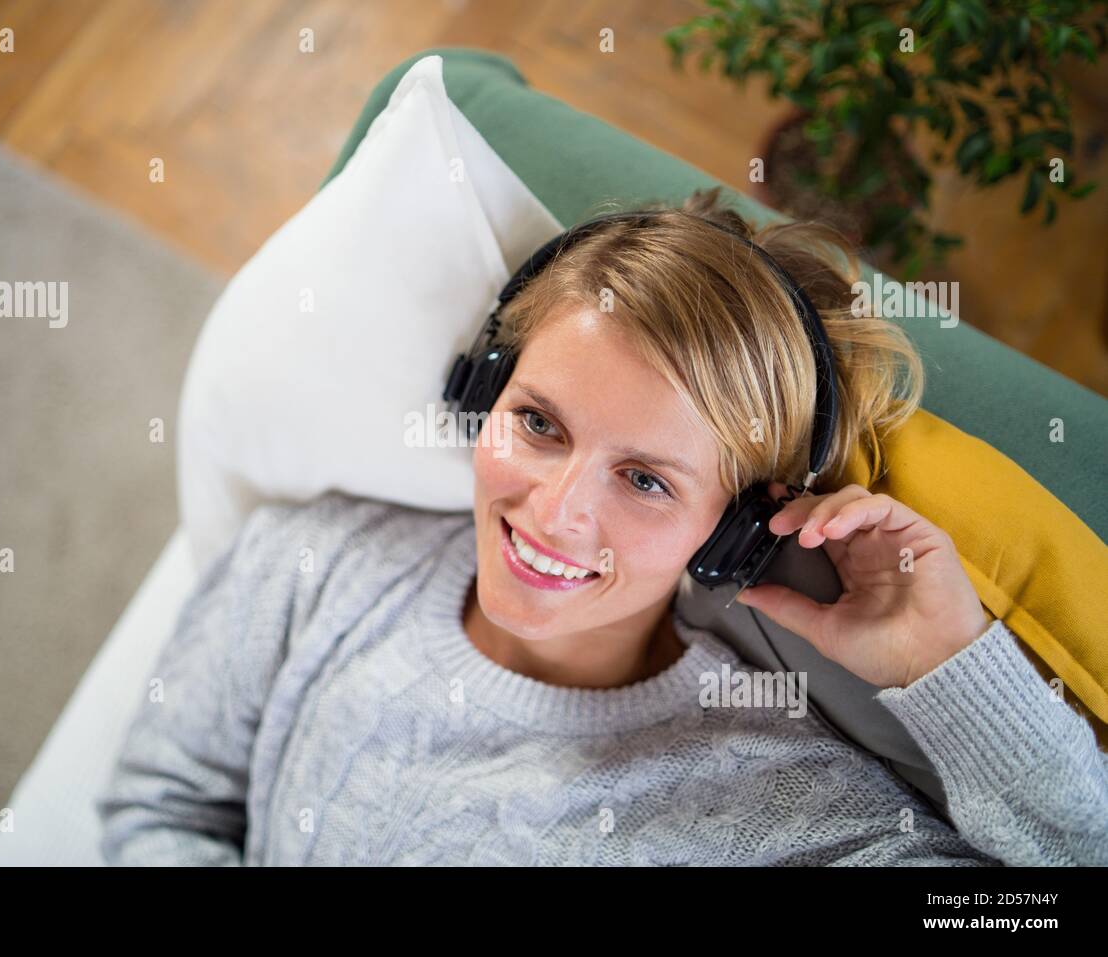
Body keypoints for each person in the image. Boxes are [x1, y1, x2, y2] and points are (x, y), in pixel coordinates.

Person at [97, 189, 1108, 865]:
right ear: (479, 392)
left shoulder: (784, 803)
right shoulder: (310, 559)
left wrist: (951, 666)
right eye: (537, 423)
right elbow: (159, 807)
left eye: (645, 480)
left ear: (737, 531)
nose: (556, 512)